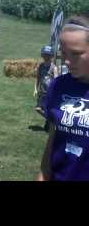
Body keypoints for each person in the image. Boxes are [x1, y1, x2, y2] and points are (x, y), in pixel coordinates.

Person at [37, 16, 89, 181]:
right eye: (64, 53)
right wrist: (43, 174)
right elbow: (53, 137)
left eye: (76, 54)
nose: (67, 61)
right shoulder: (58, 85)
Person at [34, 45, 57, 132]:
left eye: (48, 55)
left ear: (51, 56)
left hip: (49, 92)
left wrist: (54, 91)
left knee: (47, 109)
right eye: (44, 55)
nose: (46, 57)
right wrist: (35, 89)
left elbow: (56, 80)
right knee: (38, 109)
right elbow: (38, 78)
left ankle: (50, 122)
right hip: (42, 92)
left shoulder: (54, 68)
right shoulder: (41, 66)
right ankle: (51, 121)